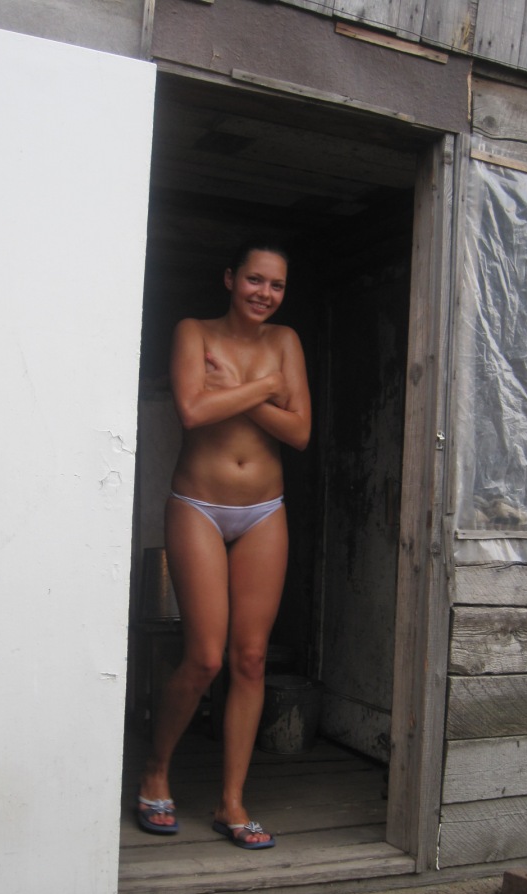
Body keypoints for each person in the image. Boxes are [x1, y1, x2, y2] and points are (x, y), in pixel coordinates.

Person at [137, 241, 311, 849]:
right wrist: (268, 388)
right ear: (231, 278)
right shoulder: (194, 331)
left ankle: (231, 802)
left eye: (277, 285)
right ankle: (156, 770)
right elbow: (191, 411)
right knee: (205, 657)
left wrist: (238, 389)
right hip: (198, 506)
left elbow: (300, 432)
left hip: (265, 510)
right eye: (255, 280)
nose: (265, 294)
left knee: (251, 659)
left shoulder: (286, 341)